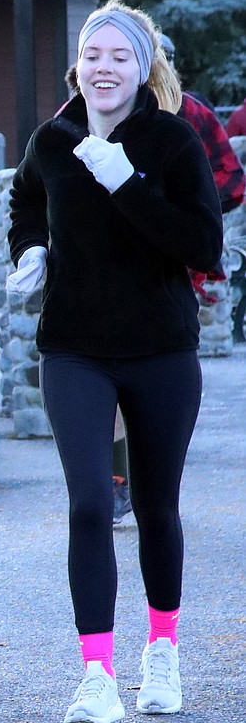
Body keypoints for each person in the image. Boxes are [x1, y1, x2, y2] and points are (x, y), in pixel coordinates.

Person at [7, 1, 222, 723]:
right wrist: (30, 251)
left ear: (142, 68)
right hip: (74, 346)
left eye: (119, 56)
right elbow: (25, 201)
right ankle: (96, 674)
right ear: (78, 65)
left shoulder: (171, 141)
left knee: (158, 505)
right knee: (92, 503)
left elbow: (202, 246)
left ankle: (161, 650)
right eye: (92, 54)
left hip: (162, 348)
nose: (104, 67)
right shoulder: (52, 139)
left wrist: (125, 181)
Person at [108, 37, 243, 526]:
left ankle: (147, 477)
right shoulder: (93, 109)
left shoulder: (191, 115)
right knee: (109, 371)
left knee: (155, 376)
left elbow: (232, 177)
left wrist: (194, 207)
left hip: (173, 274)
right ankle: (118, 481)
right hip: (109, 271)